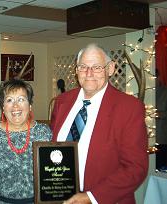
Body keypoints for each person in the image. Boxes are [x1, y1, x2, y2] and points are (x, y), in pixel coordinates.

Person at [50, 43, 148, 204]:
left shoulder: (129, 107)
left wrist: (92, 197)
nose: (89, 73)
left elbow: (136, 167)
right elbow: (51, 147)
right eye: (83, 67)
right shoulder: (62, 101)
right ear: (76, 70)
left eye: (97, 67)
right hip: (60, 197)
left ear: (110, 69)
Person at [0, 79, 52, 203]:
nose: (15, 106)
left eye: (21, 99)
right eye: (9, 100)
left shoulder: (44, 133)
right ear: (3, 107)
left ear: (30, 106)